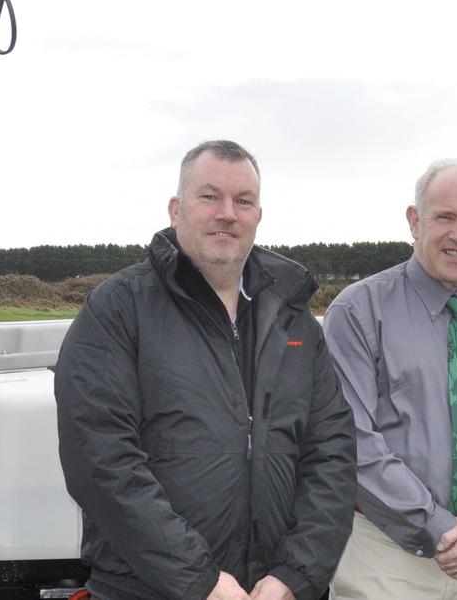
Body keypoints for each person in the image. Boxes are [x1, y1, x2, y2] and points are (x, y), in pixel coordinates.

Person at [56, 140, 356, 600]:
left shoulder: (294, 320)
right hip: (151, 590)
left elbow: (331, 453)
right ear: (176, 209)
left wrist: (295, 575)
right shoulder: (118, 309)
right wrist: (201, 581)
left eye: (243, 201)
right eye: (210, 196)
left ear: (258, 215)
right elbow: (100, 460)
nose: (227, 214)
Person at [324, 159, 457, 599]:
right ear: (414, 221)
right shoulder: (358, 311)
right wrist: (437, 524)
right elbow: (352, 439)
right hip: (384, 556)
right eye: (445, 217)